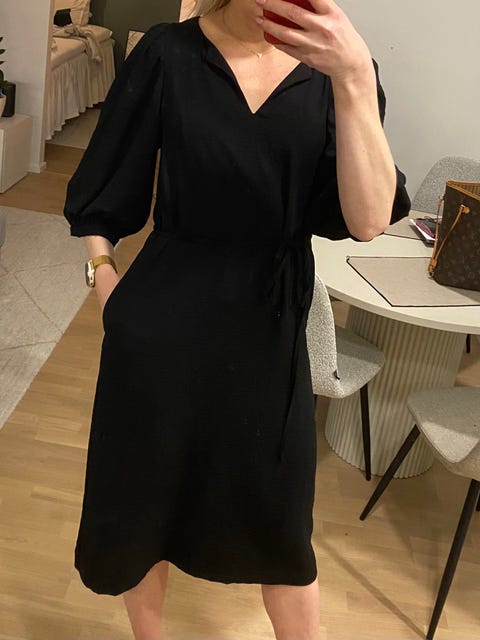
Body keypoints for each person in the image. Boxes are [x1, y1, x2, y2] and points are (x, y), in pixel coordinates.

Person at [63, 0, 410, 638]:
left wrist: (355, 75)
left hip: (268, 333)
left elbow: (366, 220)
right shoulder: (167, 53)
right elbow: (105, 178)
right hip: (160, 330)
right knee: (143, 509)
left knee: (281, 524)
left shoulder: (340, 69)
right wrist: (104, 276)